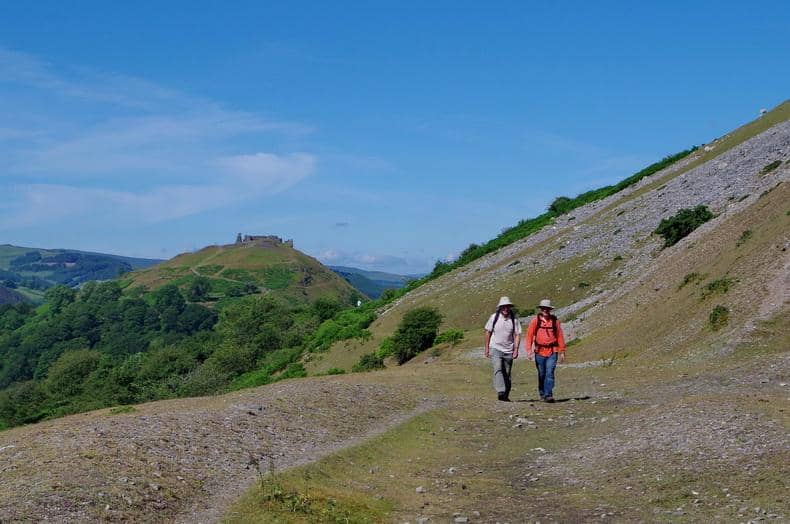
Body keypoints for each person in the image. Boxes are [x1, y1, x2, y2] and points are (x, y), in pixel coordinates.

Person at [525, 299, 566, 402]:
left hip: (552, 351)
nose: (545, 310)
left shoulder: (555, 321)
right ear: (540, 309)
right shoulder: (535, 321)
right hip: (539, 352)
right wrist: (528, 350)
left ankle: (548, 394)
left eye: (547, 309)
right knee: (542, 373)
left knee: (550, 372)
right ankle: (542, 393)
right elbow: (529, 335)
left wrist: (562, 351)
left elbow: (560, 336)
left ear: (550, 310)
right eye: (543, 308)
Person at [484, 296, 522, 401]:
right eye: (503, 307)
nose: (505, 309)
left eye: (507, 307)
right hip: (495, 348)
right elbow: (488, 332)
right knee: (498, 368)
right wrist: (487, 348)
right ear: (500, 307)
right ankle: (500, 390)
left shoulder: (514, 319)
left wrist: (516, 349)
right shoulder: (494, 317)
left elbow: (517, 335)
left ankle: (505, 395)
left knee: (507, 373)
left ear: (510, 307)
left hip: (509, 350)